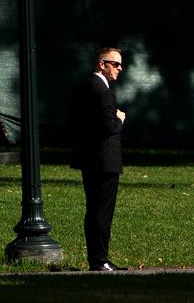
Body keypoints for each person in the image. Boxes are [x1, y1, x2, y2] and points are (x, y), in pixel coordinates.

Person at [66, 47, 127, 271]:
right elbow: (110, 127)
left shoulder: (83, 87)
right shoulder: (103, 91)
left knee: (93, 210)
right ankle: (100, 259)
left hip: (88, 158)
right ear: (102, 64)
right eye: (116, 63)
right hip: (105, 160)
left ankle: (96, 258)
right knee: (102, 212)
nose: (120, 68)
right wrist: (120, 118)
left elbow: (72, 122)